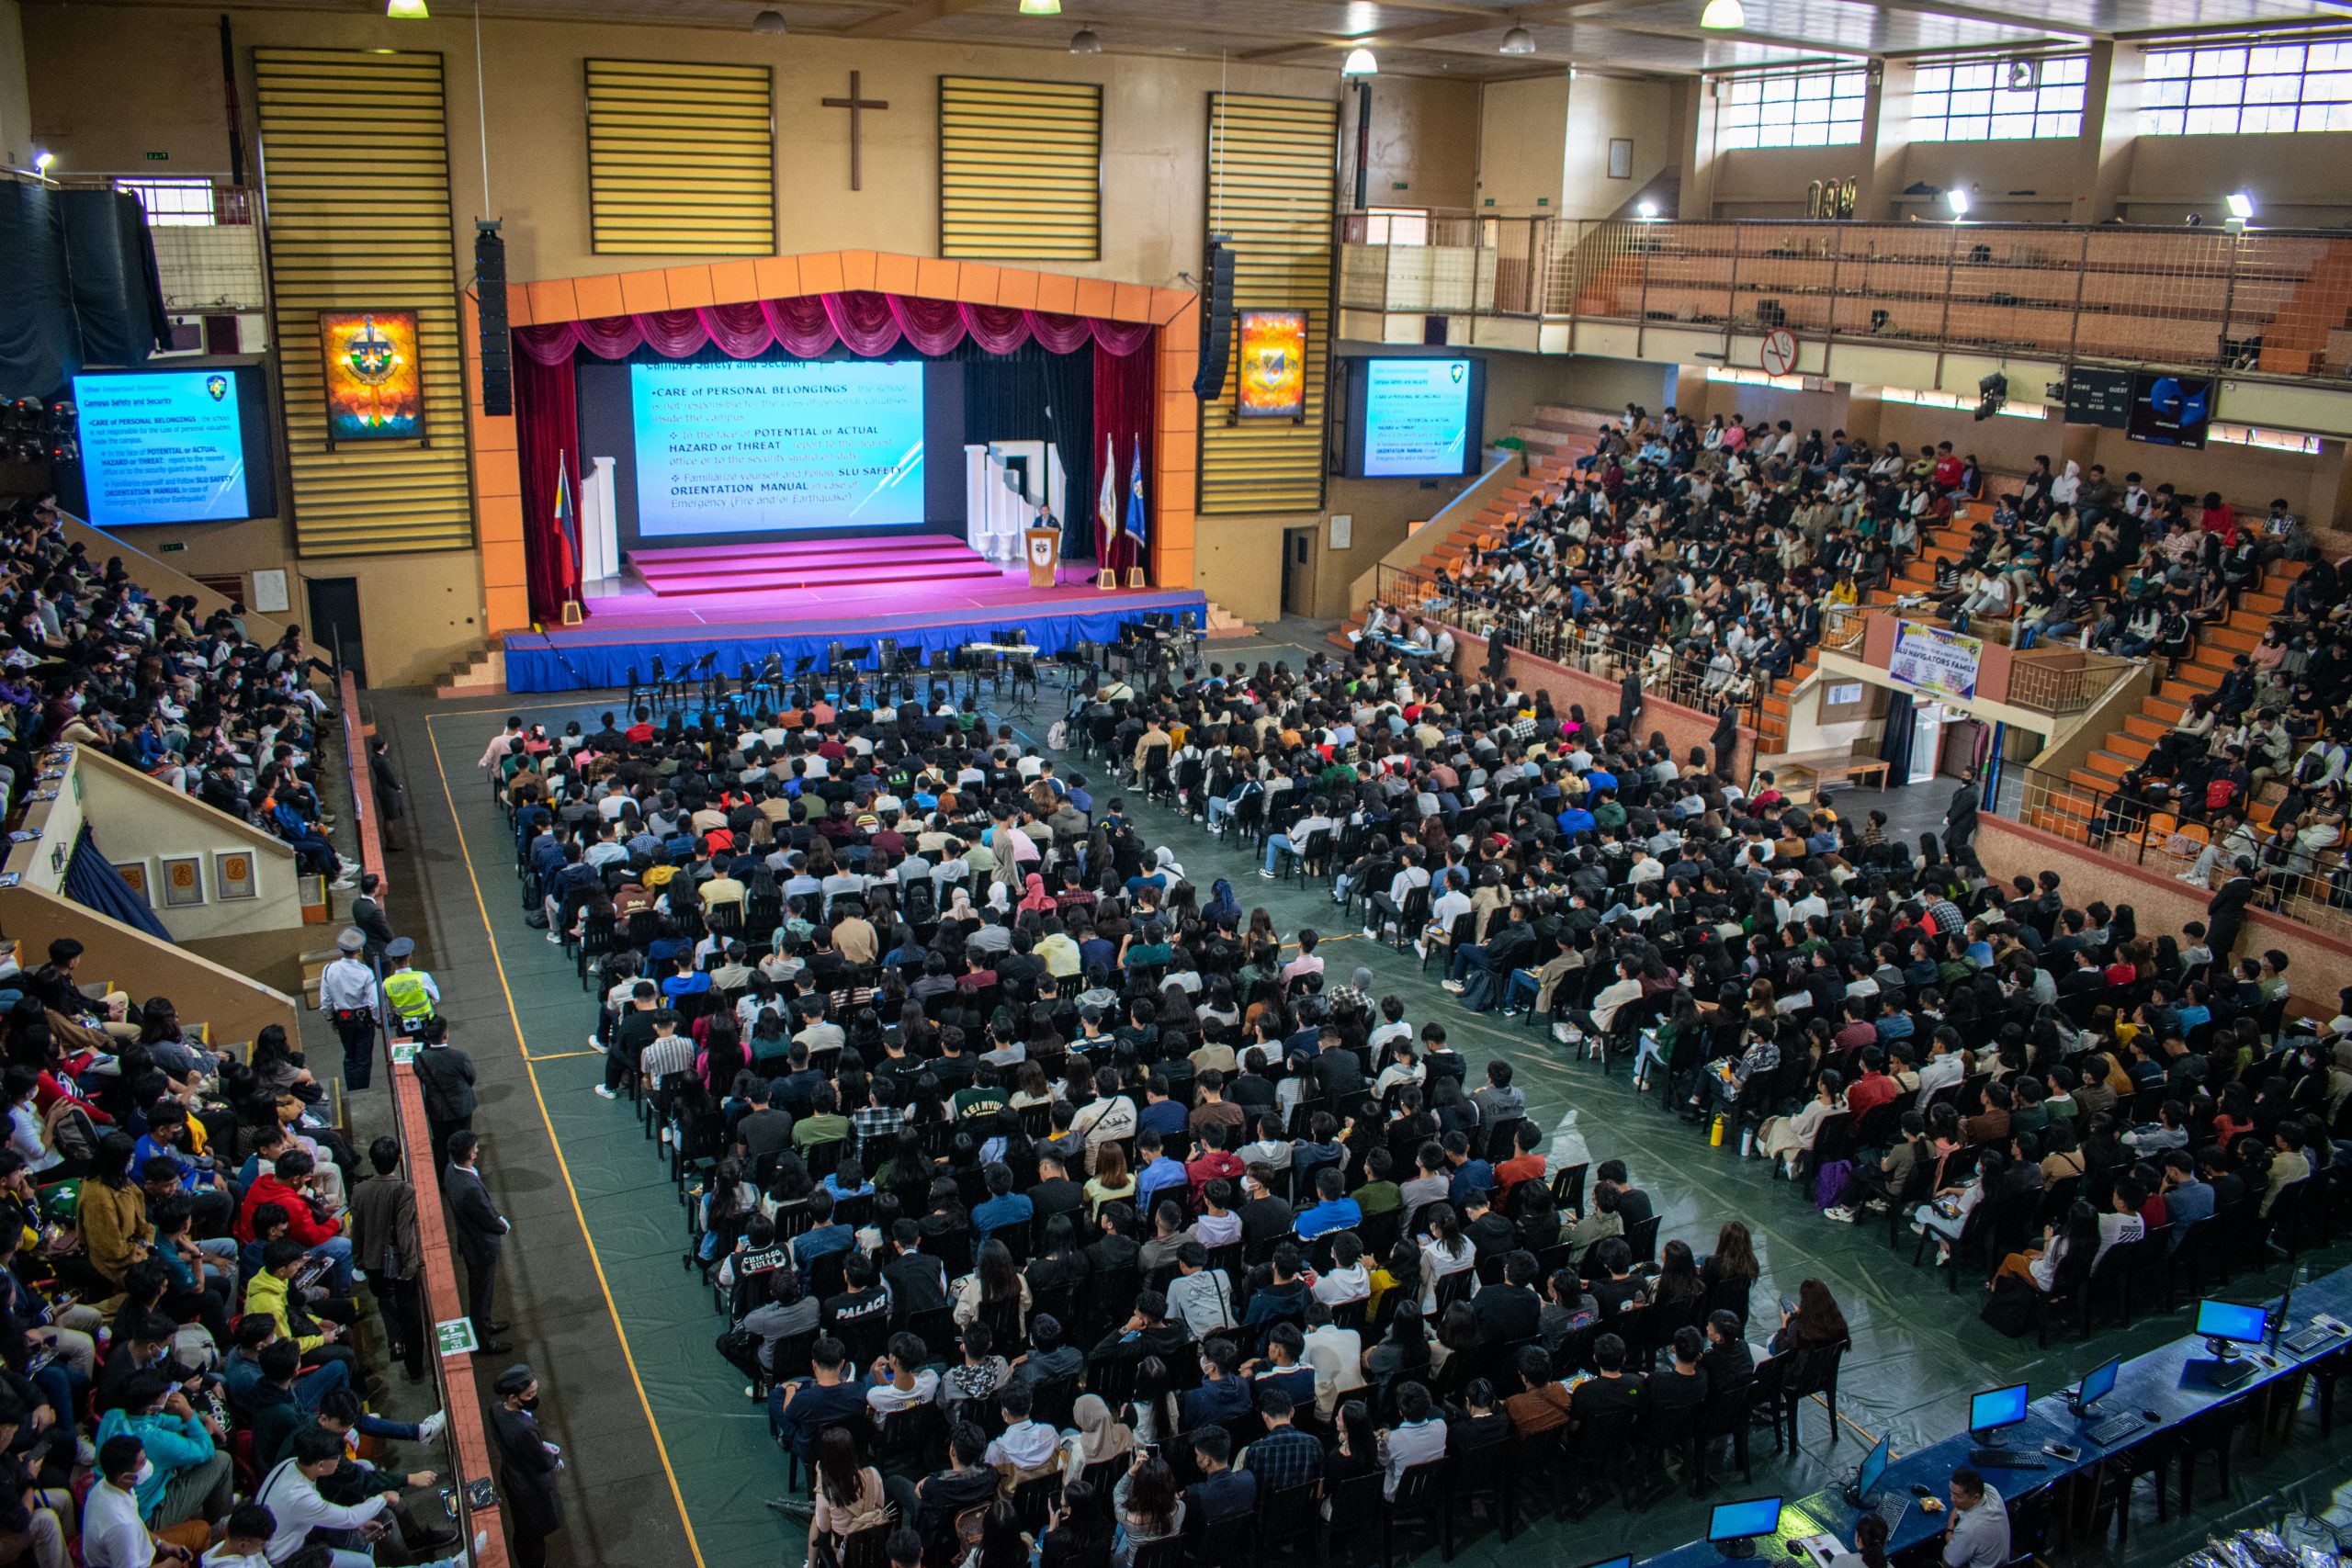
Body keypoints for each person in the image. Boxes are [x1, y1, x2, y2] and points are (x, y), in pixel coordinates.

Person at [347, 1135, 424, 1383]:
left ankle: (395, 1339)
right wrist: (411, 1265)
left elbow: (356, 1228)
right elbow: (405, 1231)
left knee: (384, 1298)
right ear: (399, 1159)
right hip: (399, 1263)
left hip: (372, 1261)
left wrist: (357, 1258)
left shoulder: (359, 1190)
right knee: (411, 1313)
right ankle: (414, 1366)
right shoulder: (404, 1189)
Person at [489, 1364, 564, 1568]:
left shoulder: (496, 1409)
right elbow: (541, 1461)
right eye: (530, 1394)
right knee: (534, 1534)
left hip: (511, 1477)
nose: (534, 1397)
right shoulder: (524, 1429)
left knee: (522, 1529)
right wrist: (553, 1458)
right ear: (514, 1397)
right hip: (531, 1487)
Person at [444, 1132, 512, 1352]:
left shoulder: (450, 1171)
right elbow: (487, 1218)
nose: (478, 1151)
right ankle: (484, 1340)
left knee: (480, 1291)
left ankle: (483, 1325)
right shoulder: (470, 1188)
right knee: (482, 1292)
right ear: (470, 1153)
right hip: (480, 1247)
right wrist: (503, 1226)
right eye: (475, 1148)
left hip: (469, 1241)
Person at [316, 929, 378, 1092]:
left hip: (343, 1018)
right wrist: (377, 1020)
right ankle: (362, 1090)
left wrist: (331, 1020)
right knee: (363, 1058)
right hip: (363, 1019)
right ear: (359, 950)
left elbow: (325, 1001)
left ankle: (352, 1090)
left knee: (350, 1056)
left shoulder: (329, 969)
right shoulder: (365, 972)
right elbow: (374, 1003)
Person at [1939, 1467, 2009, 1568]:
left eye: (1958, 1496)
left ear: (1975, 1498)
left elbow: (1948, 1564)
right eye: (1951, 1492)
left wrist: (1949, 1530)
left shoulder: (1969, 1529)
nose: (1951, 1499)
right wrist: (1958, 1506)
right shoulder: (1991, 1492)